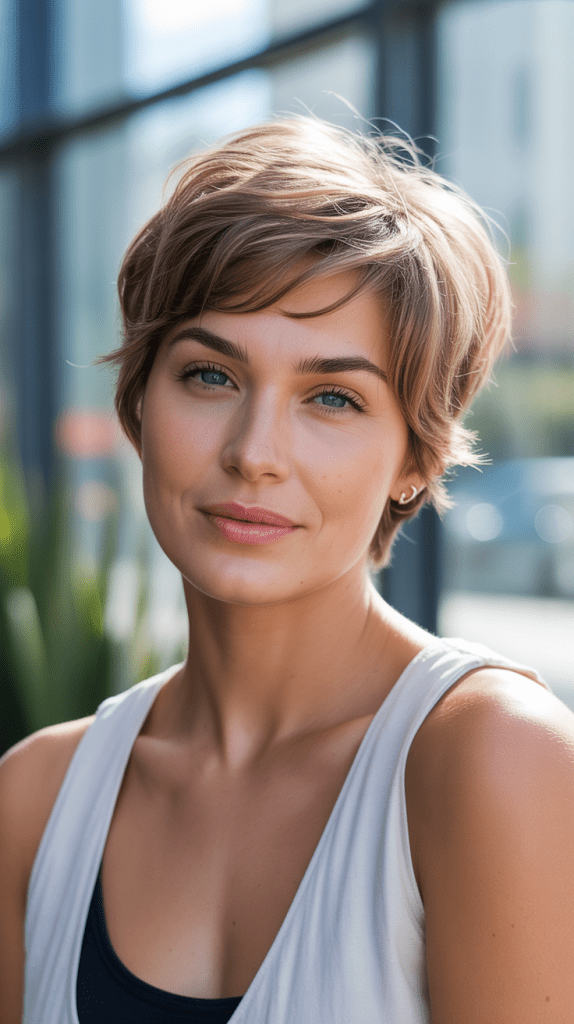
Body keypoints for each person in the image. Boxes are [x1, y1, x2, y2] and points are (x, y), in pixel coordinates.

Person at [2, 115, 574, 1024]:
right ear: (138, 403)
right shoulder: (34, 801)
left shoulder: (491, 757)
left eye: (334, 398)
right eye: (210, 376)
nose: (255, 452)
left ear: (416, 460)